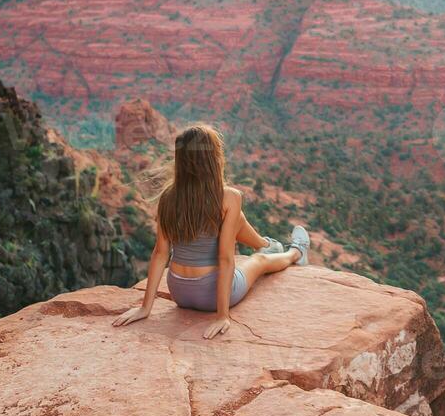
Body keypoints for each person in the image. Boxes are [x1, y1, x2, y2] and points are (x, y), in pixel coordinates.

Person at [113, 123, 309, 338]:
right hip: (211, 295)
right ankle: (296, 252)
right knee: (259, 261)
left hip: (178, 290)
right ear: (213, 158)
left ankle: (266, 244)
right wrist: (222, 315)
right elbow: (225, 258)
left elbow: (160, 253)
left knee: (235, 219)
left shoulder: (168, 197)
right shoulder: (230, 196)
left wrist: (145, 308)